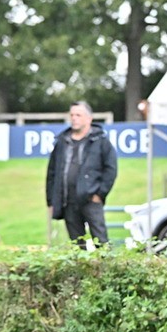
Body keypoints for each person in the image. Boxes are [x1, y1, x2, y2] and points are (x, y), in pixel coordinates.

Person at [45, 101, 118, 249]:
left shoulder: (100, 141)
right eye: (72, 115)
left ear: (89, 118)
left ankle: (106, 271)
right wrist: (51, 200)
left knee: (101, 243)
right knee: (77, 246)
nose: (74, 118)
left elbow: (111, 169)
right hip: (68, 201)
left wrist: (100, 193)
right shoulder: (61, 142)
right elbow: (52, 172)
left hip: (91, 200)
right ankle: (81, 271)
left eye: (78, 115)